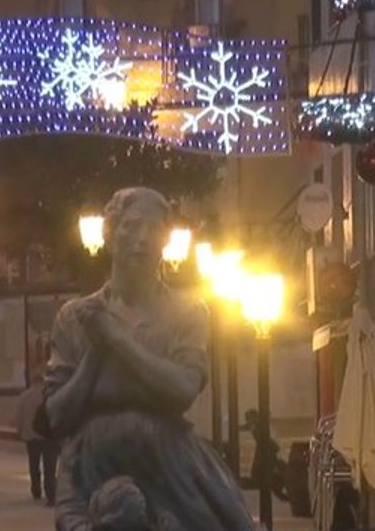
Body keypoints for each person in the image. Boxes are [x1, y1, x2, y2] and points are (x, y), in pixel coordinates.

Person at [38, 187, 255, 531]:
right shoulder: (76, 317)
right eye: (130, 226)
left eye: (154, 230)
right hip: (93, 465)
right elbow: (56, 415)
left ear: (165, 241)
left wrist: (116, 339)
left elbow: (182, 389)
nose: (142, 239)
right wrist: (95, 353)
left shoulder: (187, 311)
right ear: (111, 234)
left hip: (168, 463)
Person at [17, 370, 59, 505]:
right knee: (49, 466)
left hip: (31, 435)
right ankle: (50, 492)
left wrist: (20, 431)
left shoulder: (24, 396)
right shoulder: (49, 395)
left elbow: (19, 417)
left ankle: (36, 490)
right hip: (48, 436)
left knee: (34, 465)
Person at [241, 409, 288, 501]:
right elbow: (247, 427)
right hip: (265, 451)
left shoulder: (258, 425)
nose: (248, 421)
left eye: (249, 418)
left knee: (263, 472)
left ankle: (278, 488)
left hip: (266, 451)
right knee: (263, 473)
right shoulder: (255, 425)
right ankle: (278, 490)